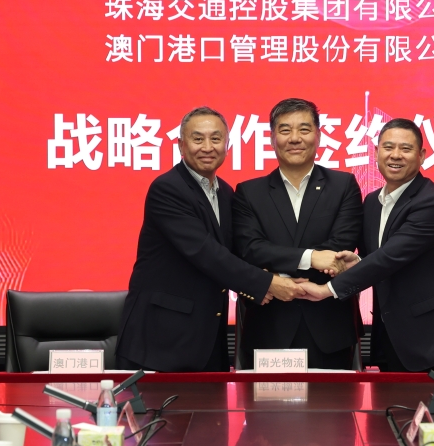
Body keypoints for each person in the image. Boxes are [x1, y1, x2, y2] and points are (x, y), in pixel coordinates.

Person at [116, 107, 305, 372]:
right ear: (181, 145)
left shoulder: (226, 192)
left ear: (227, 145)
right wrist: (268, 283)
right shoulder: (167, 189)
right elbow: (207, 254)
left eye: (216, 139)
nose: (207, 147)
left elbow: (239, 252)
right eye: (198, 139)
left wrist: (283, 271)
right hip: (161, 341)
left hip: (207, 339)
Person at [297, 118, 434, 372]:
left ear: (421, 156)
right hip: (395, 338)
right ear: (377, 153)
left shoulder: (432, 202)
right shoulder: (372, 202)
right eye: (388, 147)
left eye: (406, 149)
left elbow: (389, 258)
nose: (395, 155)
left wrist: (326, 290)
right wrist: (358, 261)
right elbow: (379, 258)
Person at [232, 98, 364, 369]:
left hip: (329, 328)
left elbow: (340, 247)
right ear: (272, 138)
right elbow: (251, 248)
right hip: (269, 325)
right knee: (265, 399)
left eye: (304, 129)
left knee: (334, 398)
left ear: (318, 136)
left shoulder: (343, 185)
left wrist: (277, 270)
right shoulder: (249, 192)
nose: (294, 138)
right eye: (285, 130)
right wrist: (311, 258)